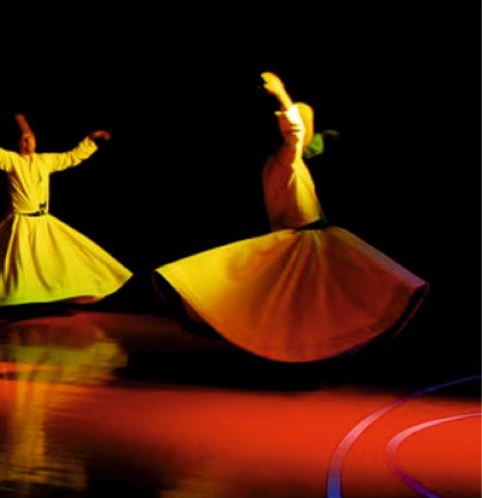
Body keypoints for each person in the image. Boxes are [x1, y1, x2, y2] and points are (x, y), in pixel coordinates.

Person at [153, 72, 427, 362]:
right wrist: (281, 93)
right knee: (325, 300)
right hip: (304, 242)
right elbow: (294, 132)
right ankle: (309, 351)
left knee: (312, 303)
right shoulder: (285, 159)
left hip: (300, 239)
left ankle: (311, 351)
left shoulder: (277, 162)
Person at [0, 105, 132, 306]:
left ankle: (60, 293)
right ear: (19, 143)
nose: (26, 141)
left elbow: (71, 157)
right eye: (23, 139)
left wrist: (90, 140)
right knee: (19, 264)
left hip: (43, 221)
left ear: (35, 140)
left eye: (29, 138)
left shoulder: (45, 161)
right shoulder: (12, 161)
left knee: (62, 256)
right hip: (21, 223)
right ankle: (16, 298)